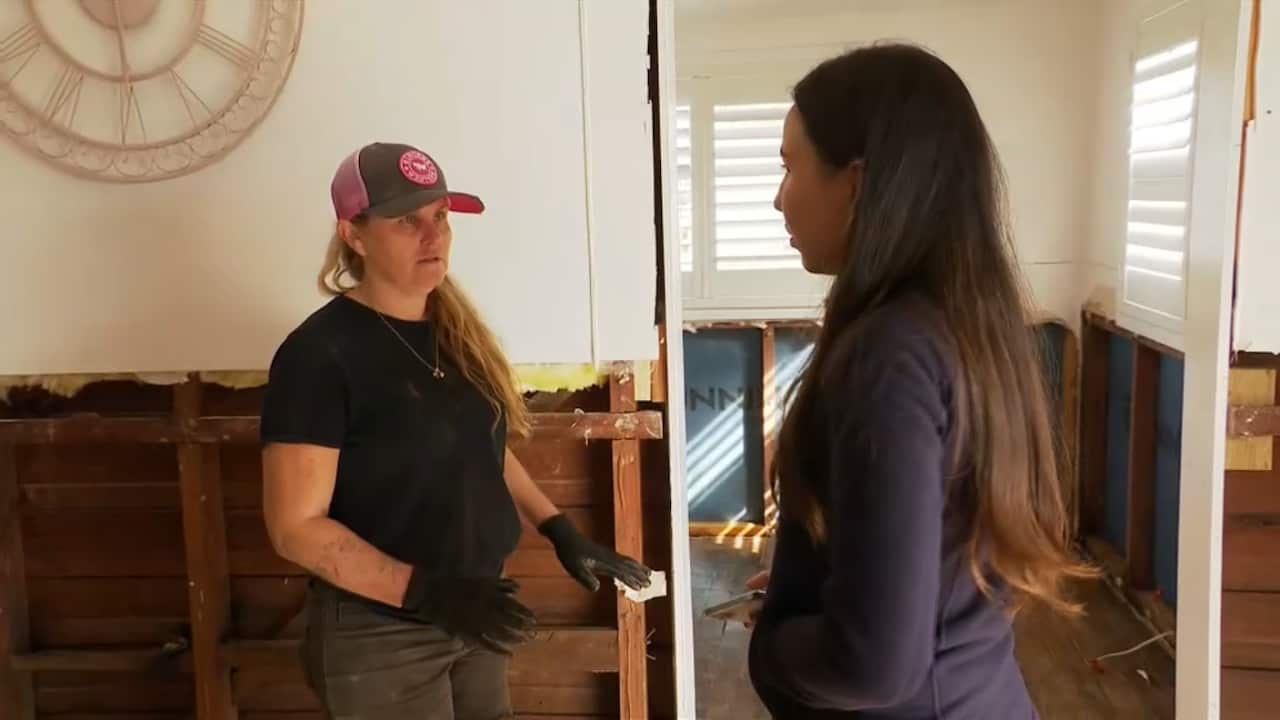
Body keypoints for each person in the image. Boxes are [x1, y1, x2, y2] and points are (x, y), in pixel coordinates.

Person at [743, 44, 1095, 719]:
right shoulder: (967, 325)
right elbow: (935, 567)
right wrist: (828, 583)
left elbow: (873, 667)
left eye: (790, 167)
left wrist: (775, 640)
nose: (778, 196)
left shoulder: (888, 353)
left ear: (855, 183)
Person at [259, 141, 652, 719]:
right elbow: (295, 528)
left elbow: (480, 447)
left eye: (441, 216)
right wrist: (427, 593)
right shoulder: (319, 356)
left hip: (475, 610)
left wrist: (559, 527)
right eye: (407, 220)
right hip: (383, 635)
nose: (433, 235)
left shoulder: (456, 335)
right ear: (355, 234)